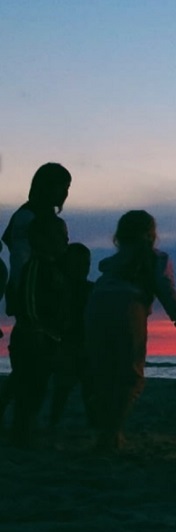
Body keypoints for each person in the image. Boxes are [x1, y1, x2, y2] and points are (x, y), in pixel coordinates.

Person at [84, 210, 176, 452]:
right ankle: (111, 434)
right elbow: (165, 289)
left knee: (104, 371)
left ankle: (106, 431)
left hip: (95, 306)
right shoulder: (157, 260)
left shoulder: (113, 264)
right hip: (128, 308)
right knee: (130, 374)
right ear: (151, 234)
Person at [0, 162, 73, 429]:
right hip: (34, 293)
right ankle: (22, 423)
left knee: (31, 366)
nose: (65, 193)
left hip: (39, 292)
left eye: (67, 188)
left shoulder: (31, 216)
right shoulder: (30, 217)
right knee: (33, 364)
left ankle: (19, 418)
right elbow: (18, 251)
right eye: (61, 187)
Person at [8, 214, 70, 445]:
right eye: (60, 236)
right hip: (32, 337)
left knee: (38, 386)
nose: (65, 241)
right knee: (28, 387)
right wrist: (37, 328)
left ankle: (26, 428)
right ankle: (21, 431)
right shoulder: (35, 267)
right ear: (41, 239)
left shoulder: (55, 269)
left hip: (47, 337)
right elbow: (29, 300)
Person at [49, 242, 94, 428]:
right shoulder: (61, 289)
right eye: (79, 264)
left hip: (84, 343)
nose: (83, 268)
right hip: (69, 343)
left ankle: (56, 421)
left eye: (86, 264)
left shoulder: (90, 288)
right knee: (65, 387)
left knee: (87, 387)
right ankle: (54, 421)